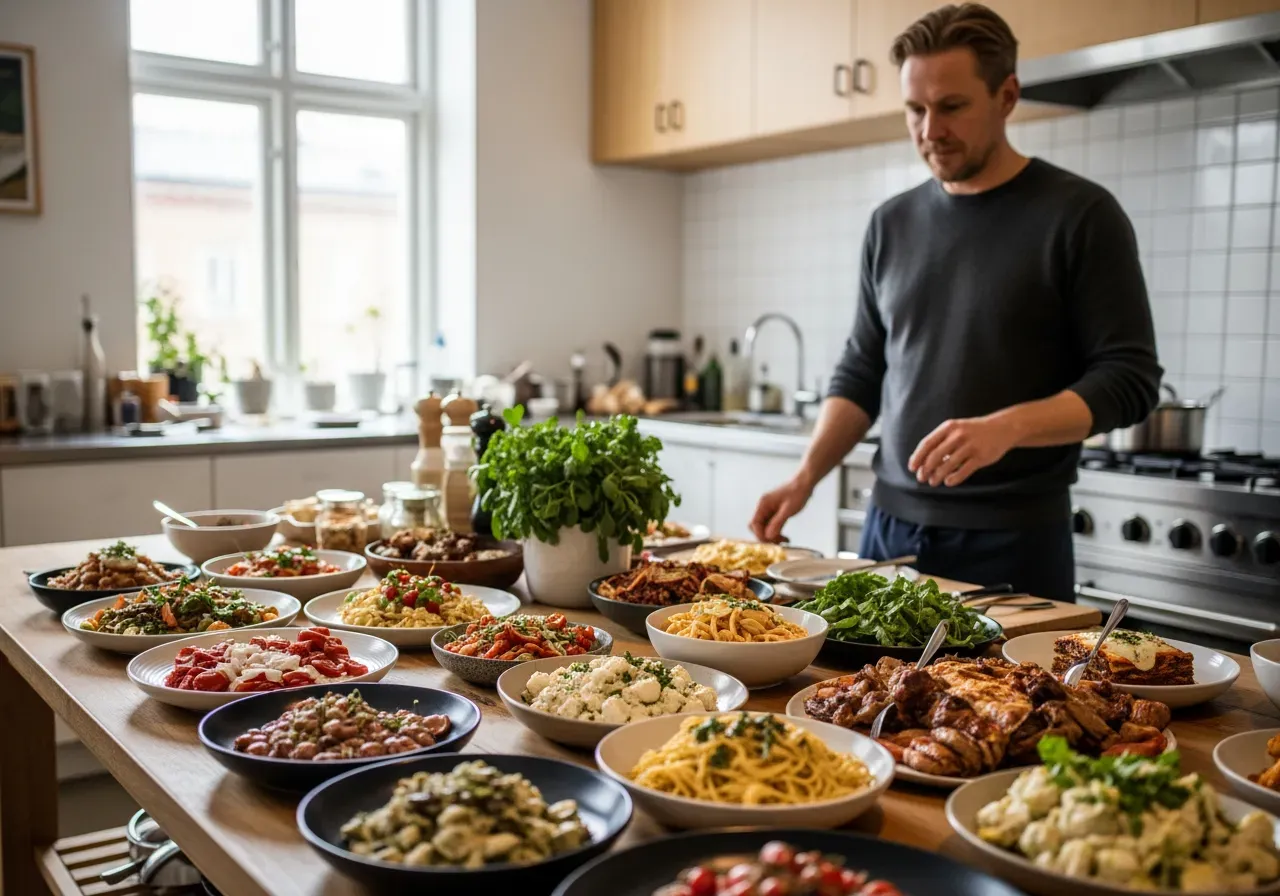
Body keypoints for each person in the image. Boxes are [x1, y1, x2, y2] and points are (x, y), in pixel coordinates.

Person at [749, 3, 1161, 602]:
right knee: (865, 697)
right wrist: (805, 477)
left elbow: (1130, 379)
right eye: (915, 109)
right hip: (889, 531)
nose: (929, 129)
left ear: (1007, 95)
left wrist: (1006, 428)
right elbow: (864, 368)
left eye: (952, 106)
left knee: (1016, 699)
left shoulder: (1080, 216)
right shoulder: (890, 223)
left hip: (1015, 539)